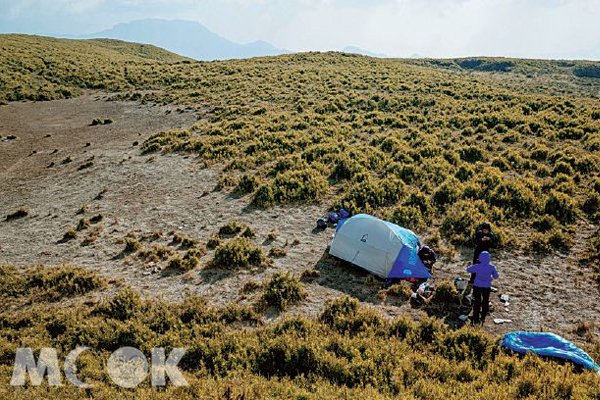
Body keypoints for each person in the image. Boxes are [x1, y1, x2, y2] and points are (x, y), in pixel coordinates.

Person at [466, 251, 498, 325]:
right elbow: (496, 276)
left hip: (477, 286)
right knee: (485, 301)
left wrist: (469, 266)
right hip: (487, 287)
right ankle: (483, 317)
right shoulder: (492, 267)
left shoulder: (477, 266)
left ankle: (476, 317)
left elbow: (468, 270)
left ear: (480, 258)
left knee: (477, 301)